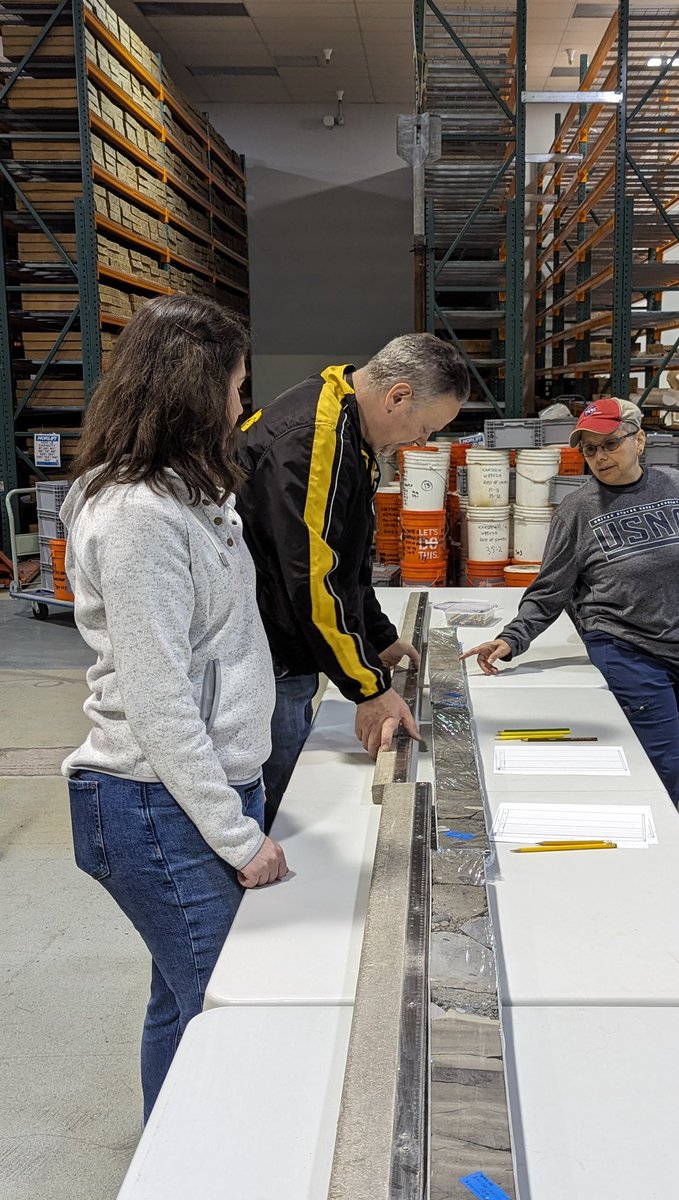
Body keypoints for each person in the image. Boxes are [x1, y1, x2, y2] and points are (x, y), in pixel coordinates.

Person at [60, 295, 287, 1122]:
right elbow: (159, 701)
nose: (240, 405)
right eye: (233, 388)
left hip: (199, 793)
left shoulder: (190, 498)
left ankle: (171, 1156)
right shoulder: (139, 519)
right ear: (195, 394)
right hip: (155, 806)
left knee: (180, 1000)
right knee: (221, 1015)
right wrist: (238, 836)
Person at [235, 333, 469, 828]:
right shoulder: (316, 438)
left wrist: (377, 638)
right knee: (282, 816)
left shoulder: (345, 423)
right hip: (268, 653)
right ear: (398, 396)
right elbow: (312, 579)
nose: (423, 442)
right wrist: (367, 689)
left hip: (283, 640)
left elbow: (346, 557)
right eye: (426, 427)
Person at [463, 397, 679, 806]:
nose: (599, 457)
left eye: (610, 444)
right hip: (629, 651)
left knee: (669, 748)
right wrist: (512, 638)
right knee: (660, 768)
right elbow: (550, 589)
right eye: (589, 449)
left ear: (639, 441)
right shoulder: (578, 510)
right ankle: (655, 861)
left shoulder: (676, 485)